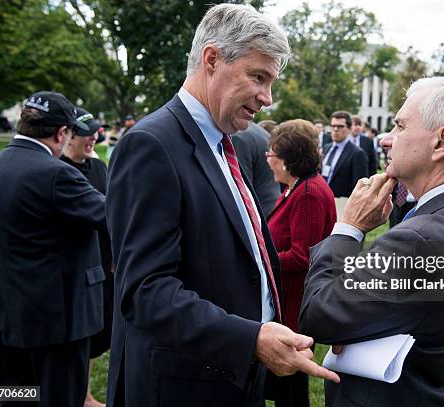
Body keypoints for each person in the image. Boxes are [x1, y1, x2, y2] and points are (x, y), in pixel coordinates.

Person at [105, 5, 338, 407]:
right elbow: (145, 290)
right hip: (183, 388)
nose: (267, 98)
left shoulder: (227, 142)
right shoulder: (152, 144)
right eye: (258, 77)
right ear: (212, 59)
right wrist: (250, 339)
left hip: (232, 377)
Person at [299, 77, 444, 406]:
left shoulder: (420, 239)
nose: (386, 140)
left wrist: (349, 227)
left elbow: (318, 314)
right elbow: (421, 310)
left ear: (441, 141)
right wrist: (361, 324)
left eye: (400, 126)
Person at [0, 91, 107, 407]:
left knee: (10, 397)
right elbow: (114, 217)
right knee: (61, 399)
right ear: (61, 134)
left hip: (4, 317)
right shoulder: (57, 174)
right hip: (58, 325)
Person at [264, 119, 337, 407]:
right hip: (288, 301)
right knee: (286, 387)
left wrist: (263, 260)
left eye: (272, 155)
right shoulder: (296, 187)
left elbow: (302, 255)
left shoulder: (308, 193)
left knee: (291, 387)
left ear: (289, 159)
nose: (268, 161)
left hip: (294, 305)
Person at [61, 107, 113, 407]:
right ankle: (78, 396)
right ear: (66, 135)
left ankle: (83, 395)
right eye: (85, 133)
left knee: (96, 335)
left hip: (102, 267)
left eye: (95, 131)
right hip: (73, 268)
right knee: (76, 337)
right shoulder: (56, 169)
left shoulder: (99, 168)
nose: (93, 137)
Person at [232, 122, 281, 214]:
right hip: (272, 206)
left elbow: (242, 186)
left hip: (259, 210)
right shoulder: (260, 132)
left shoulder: (239, 138)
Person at [322, 111, 368, 197]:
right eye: (333, 126)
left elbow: (360, 187)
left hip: (341, 203)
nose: (335, 129)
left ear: (349, 129)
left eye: (340, 126)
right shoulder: (326, 148)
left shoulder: (358, 153)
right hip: (321, 200)